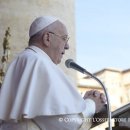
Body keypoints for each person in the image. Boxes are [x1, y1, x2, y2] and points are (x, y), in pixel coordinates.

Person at [0, 16, 106, 130]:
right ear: (47, 38)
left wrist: (82, 104)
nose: (67, 46)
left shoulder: (24, 59)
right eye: (64, 38)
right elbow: (66, 124)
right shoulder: (38, 62)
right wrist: (92, 104)